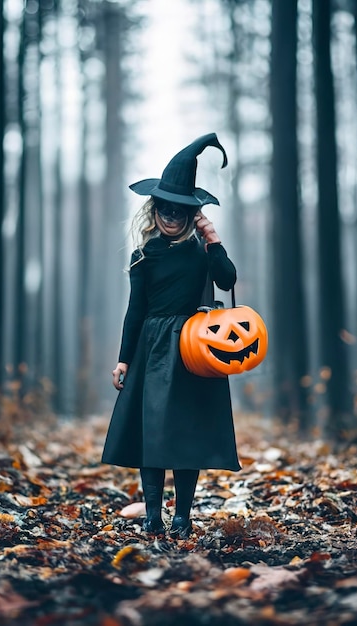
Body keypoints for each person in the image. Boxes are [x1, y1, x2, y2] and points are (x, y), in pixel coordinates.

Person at [101, 133, 241, 539]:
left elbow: (227, 279)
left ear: (190, 212)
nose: (170, 216)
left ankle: (182, 516)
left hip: (195, 347)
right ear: (153, 208)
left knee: (187, 431)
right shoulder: (143, 255)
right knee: (152, 432)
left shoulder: (201, 250)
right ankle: (152, 516)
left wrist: (214, 242)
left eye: (179, 210)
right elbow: (135, 311)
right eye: (163, 208)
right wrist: (123, 359)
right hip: (151, 349)